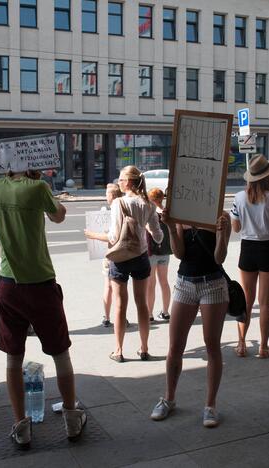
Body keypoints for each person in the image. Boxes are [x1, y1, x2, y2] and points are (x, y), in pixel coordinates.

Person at [0, 169, 86, 448]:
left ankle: (21, 426)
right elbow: (58, 215)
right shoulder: (38, 188)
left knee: (13, 357)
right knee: (60, 353)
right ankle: (71, 418)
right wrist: (45, 189)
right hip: (40, 282)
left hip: (7, 282)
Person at [150, 210, 231, 428]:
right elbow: (179, 253)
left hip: (213, 283)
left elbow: (219, 258)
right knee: (175, 345)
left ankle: (210, 405)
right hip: (185, 283)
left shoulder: (220, 216)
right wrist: (170, 226)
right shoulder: (181, 215)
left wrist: (221, 234)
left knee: (212, 345)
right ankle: (168, 398)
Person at [92, 166, 163, 363]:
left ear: (129, 182)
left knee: (120, 306)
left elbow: (114, 237)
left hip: (121, 257)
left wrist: (93, 235)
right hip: (141, 257)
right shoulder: (149, 204)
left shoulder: (118, 203)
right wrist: (146, 227)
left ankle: (118, 350)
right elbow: (158, 237)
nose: (119, 182)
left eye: (122, 179)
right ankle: (144, 348)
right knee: (142, 305)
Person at [231, 155, 269, 359]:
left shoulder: (239, 198)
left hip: (247, 248)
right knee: (265, 302)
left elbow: (236, 228)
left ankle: (241, 344)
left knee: (247, 300)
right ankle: (264, 347)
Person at [86, 183, 123, 327]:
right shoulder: (124, 208)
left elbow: (111, 236)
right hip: (124, 253)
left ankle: (107, 318)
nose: (105, 196)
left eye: (107, 194)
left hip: (111, 253)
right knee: (120, 287)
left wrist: (92, 235)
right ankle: (120, 315)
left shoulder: (112, 211)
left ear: (112, 196)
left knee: (108, 286)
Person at [146, 188, 172, 322]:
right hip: (165, 252)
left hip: (151, 252)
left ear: (151, 199)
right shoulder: (167, 212)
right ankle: (166, 311)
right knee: (164, 282)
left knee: (151, 283)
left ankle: (149, 314)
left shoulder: (151, 213)